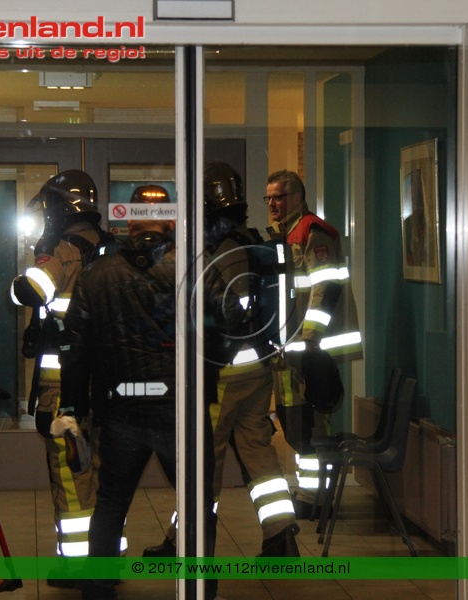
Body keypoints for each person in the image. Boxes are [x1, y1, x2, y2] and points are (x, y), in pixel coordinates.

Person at [60, 185, 241, 600]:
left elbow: (75, 347)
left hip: (121, 410)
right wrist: (208, 367)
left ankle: (99, 589)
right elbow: (231, 324)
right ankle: (199, 589)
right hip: (182, 409)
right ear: (172, 222)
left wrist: (73, 408)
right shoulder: (196, 267)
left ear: (129, 222)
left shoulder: (97, 273)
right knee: (197, 508)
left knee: (110, 504)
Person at [144, 163, 300, 558]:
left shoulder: (225, 250)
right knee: (257, 450)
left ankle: (185, 539)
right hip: (256, 367)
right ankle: (281, 534)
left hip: (226, 372)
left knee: (202, 457)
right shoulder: (249, 240)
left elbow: (229, 311)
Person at [9, 170, 113, 582]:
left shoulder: (62, 251)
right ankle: (107, 558)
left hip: (64, 385)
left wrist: (22, 279)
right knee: (104, 473)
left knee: (71, 474)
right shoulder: (111, 248)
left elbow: (31, 291)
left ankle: (77, 564)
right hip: (108, 383)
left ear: (58, 207)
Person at [264, 169, 363, 517]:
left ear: (297, 197)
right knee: (296, 424)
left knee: (312, 425)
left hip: (311, 350)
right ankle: (308, 494)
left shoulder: (312, 232)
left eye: (279, 197)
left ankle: (316, 499)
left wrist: (310, 340)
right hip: (291, 349)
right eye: (269, 198)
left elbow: (325, 287)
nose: (272, 204)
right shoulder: (284, 235)